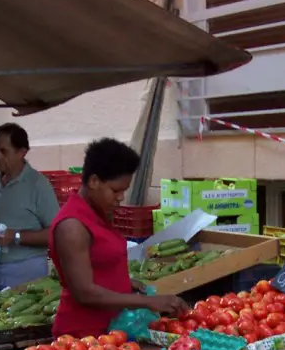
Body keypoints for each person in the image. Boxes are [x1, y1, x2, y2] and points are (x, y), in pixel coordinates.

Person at [51, 137, 186, 337]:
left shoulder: (97, 212)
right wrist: (148, 301)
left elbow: (97, 261)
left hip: (112, 329)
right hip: (83, 335)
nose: (121, 197)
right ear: (94, 181)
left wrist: (124, 281)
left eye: (124, 190)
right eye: (115, 190)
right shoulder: (72, 226)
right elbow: (84, 292)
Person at [0, 122, 60, 289]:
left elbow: (56, 233)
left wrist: (16, 237)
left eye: (4, 151)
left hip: (27, 273)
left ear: (21, 153)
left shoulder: (38, 185)